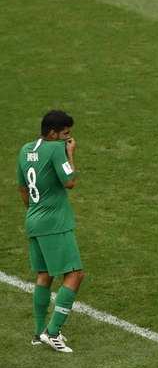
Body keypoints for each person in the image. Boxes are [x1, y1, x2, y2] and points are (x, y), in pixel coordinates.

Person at [17, 110, 84, 352]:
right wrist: (70, 154)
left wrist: (35, 210)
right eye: (65, 134)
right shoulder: (57, 149)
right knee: (75, 274)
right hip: (55, 224)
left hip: (33, 220)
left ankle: (37, 333)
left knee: (44, 275)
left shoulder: (25, 150)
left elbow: (22, 188)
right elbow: (70, 181)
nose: (68, 138)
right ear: (52, 133)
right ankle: (52, 332)